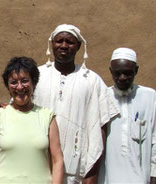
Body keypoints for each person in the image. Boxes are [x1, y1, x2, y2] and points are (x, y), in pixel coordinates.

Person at [32, 24, 119, 183]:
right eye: (59, 41)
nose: (64, 46)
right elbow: (17, 110)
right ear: (52, 44)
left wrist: (92, 173)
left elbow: (99, 128)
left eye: (69, 42)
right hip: (37, 169)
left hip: (74, 173)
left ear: (78, 46)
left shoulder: (92, 80)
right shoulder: (36, 76)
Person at [0, 57, 64, 184]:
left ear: (33, 83)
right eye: (13, 82)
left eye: (24, 81)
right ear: (8, 86)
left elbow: (58, 161)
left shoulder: (47, 117)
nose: (19, 87)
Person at [98, 48, 156, 184]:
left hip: (141, 177)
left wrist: (155, 175)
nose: (122, 78)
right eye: (117, 73)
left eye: (128, 73)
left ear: (136, 70)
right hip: (107, 177)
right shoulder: (103, 97)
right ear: (111, 72)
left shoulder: (149, 96)